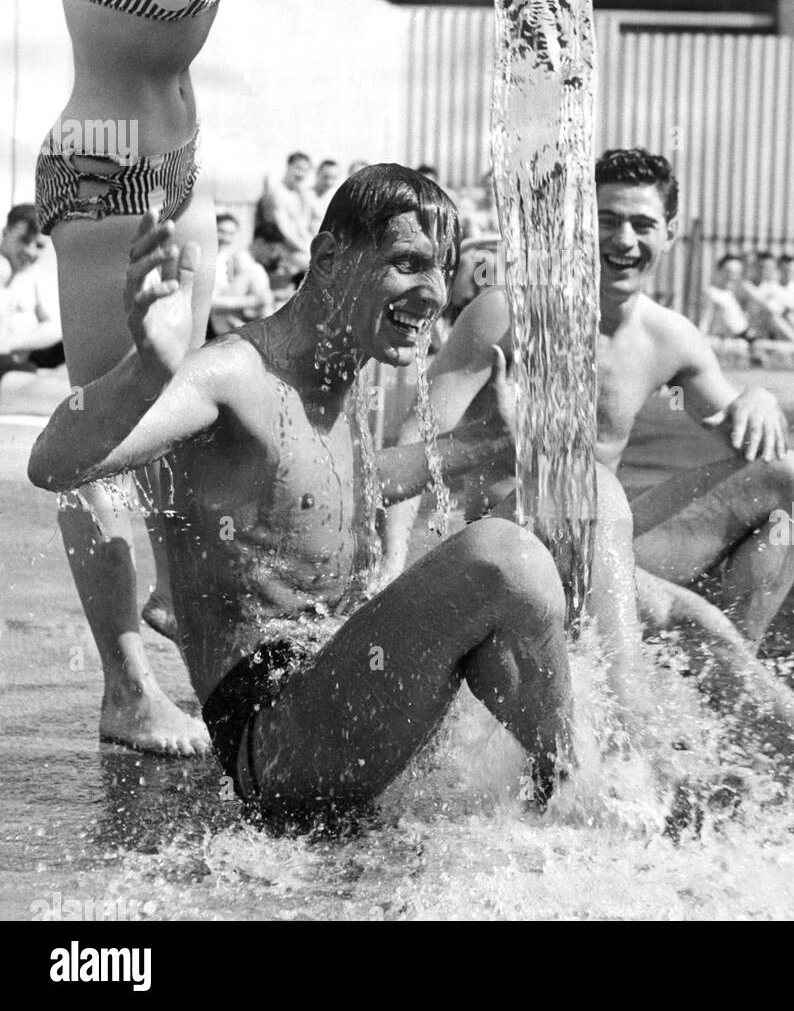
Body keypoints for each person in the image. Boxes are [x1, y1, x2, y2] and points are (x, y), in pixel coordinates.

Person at [33, 0, 527, 754]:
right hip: (105, 165)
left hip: (179, 165)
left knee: (180, 425)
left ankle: (186, 605)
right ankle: (124, 683)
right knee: (114, 428)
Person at [29, 167, 642, 824]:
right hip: (274, 740)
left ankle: (590, 785)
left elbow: (336, 489)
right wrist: (145, 371)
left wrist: (485, 443)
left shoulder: (339, 368)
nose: (432, 292)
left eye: (445, 269)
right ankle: (591, 805)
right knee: (503, 557)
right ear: (328, 258)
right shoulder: (233, 374)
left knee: (592, 542)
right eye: (406, 263)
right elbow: (56, 464)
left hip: (339, 690)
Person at [386, 150, 794, 650]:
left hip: (604, 546)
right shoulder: (508, 313)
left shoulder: (670, 338)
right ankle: (706, 658)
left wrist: (761, 396)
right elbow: (421, 433)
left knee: (791, 480)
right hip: (506, 542)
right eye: (607, 220)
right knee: (607, 511)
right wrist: (391, 567)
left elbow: (742, 429)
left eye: (642, 224)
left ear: (669, 234)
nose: (624, 240)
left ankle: (716, 692)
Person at [0, 205, 64, 381]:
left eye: (39, 245)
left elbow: (57, 328)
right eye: (23, 240)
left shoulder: (35, 277)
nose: (30, 251)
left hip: (20, 360)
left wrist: (10, 342)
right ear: (6, 233)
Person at [208, 212, 272, 337]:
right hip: (214, 318)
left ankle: (268, 328)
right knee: (255, 270)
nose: (225, 238)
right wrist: (249, 302)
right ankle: (268, 332)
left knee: (256, 270)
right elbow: (210, 303)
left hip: (232, 312)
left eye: (230, 233)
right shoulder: (207, 258)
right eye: (221, 231)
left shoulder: (229, 257)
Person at [258, 152, 314, 279]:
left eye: (305, 170)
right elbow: (284, 231)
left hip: (296, 248)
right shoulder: (278, 194)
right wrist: (308, 250)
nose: (301, 174)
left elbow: (302, 229)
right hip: (280, 250)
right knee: (321, 267)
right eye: (298, 168)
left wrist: (313, 246)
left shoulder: (297, 194)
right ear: (288, 166)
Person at [701, 252, 753, 341]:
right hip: (722, 341)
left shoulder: (733, 294)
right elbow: (704, 322)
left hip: (743, 338)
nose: (732, 277)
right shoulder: (712, 294)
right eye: (728, 272)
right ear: (719, 270)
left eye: (736, 273)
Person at [308, 159, 343, 234]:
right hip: (307, 242)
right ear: (317, 173)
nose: (329, 182)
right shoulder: (305, 195)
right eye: (326, 177)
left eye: (333, 178)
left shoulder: (337, 198)